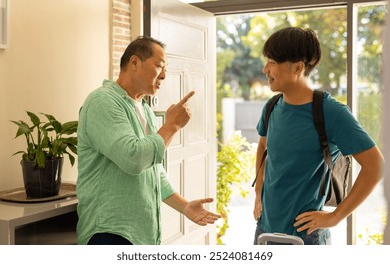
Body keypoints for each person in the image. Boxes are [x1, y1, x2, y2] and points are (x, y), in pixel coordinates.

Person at [76, 36, 221, 245]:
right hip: (109, 232)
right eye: (159, 66)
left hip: (141, 234)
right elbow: (133, 159)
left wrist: (185, 206)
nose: (164, 75)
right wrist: (172, 126)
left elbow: (152, 170)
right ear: (134, 62)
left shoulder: (144, 109)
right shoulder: (102, 102)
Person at [253, 27, 384, 245]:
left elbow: (376, 166)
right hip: (264, 229)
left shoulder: (331, 112)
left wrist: (335, 216)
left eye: (272, 62)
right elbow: (263, 148)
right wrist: (258, 193)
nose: (265, 69)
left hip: (306, 237)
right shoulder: (272, 107)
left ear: (297, 67)